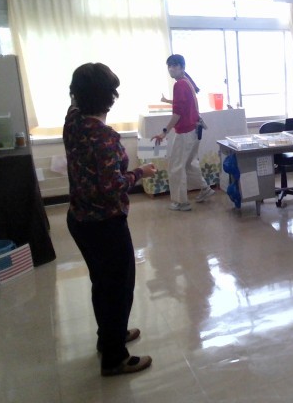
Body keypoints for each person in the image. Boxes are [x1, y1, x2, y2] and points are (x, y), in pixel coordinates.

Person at [64, 63, 157, 376]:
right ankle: (115, 358)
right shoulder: (103, 136)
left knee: (102, 283)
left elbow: (75, 99)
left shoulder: (72, 121)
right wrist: (140, 173)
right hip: (105, 223)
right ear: (108, 98)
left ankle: (109, 337)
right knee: (118, 288)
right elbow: (112, 186)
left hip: (79, 218)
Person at [152, 54, 214, 211]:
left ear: (182, 67)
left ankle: (181, 202)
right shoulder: (186, 82)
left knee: (176, 167)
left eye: (174, 66)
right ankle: (205, 188)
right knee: (189, 164)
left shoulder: (179, 84)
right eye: (169, 66)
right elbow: (182, 104)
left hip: (186, 132)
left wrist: (164, 132)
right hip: (194, 130)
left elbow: (177, 113)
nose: (171, 69)